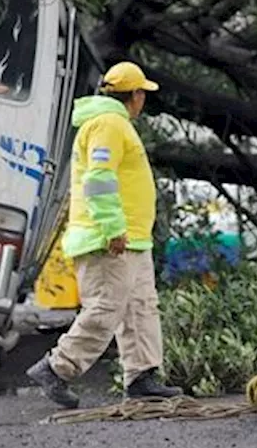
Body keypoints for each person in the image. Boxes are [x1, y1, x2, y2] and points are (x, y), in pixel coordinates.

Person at [26, 61, 183, 408]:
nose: (144, 100)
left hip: (132, 239)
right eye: (144, 93)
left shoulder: (114, 123)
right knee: (106, 308)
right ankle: (56, 368)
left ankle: (142, 376)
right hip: (109, 238)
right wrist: (113, 228)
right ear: (136, 95)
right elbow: (98, 180)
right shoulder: (109, 124)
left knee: (140, 307)